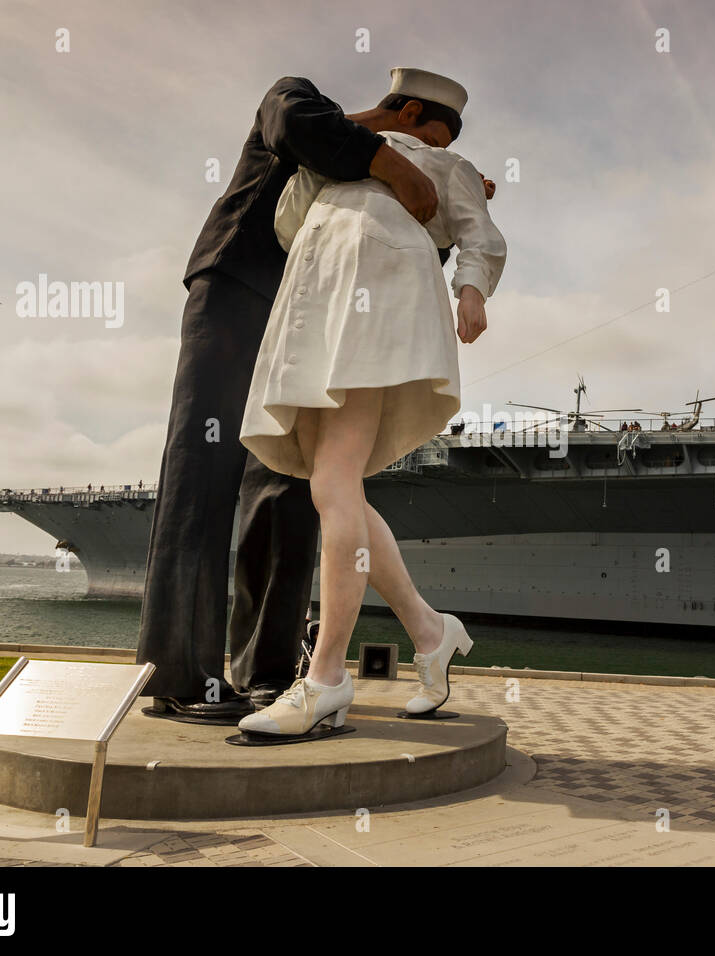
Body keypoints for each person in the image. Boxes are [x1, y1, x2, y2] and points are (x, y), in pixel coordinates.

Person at [137, 72, 482, 723]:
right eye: (426, 137)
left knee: (292, 493)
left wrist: (438, 202)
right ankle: (180, 674)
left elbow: (390, 251)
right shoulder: (305, 103)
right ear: (405, 110)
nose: (422, 155)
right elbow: (293, 121)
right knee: (200, 473)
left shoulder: (386, 173)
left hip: (314, 321)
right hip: (239, 289)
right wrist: (396, 166)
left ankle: (267, 673)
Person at [237, 68, 506, 737]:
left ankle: (326, 677)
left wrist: (470, 288)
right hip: (317, 301)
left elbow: (477, 233)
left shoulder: (449, 166)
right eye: (431, 132)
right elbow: (290, 219)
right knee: (341, 487)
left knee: (332, 482)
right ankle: (430, 629)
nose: (435, 146)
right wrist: (357, 138)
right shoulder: (343, 157)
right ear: (409, 112)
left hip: (378, 298)